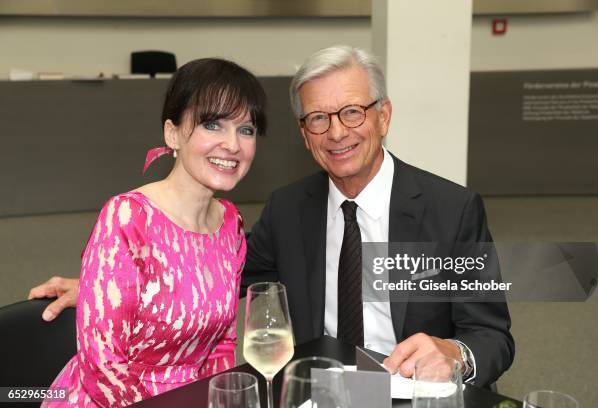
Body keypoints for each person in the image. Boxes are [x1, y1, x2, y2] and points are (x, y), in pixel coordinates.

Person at [31, 45, 513, 388]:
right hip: (313, 393)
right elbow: (223, 279)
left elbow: (492, 336)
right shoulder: (288, 210)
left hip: (410, 395)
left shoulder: (450, 211)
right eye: (317, 119)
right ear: (304, 135)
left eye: (351, 112)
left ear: (383, 116)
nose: (336, 133)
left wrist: (457, 355)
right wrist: (107, 285)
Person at [38, 58, 267, 407]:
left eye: (246, 129)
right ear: (172, 133)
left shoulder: (230, 225)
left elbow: (222, 343)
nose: (233, 145)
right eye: (213, 125)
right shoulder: (129, 218)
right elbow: (104, 368)